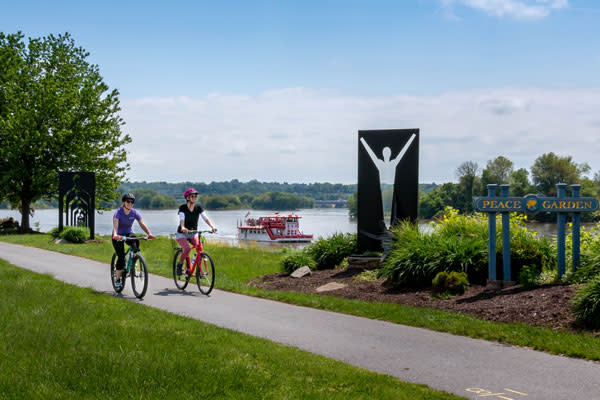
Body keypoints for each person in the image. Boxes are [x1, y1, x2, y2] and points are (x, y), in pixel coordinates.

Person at [111, 193, 155, 286]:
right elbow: (115, 224)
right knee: (121, 256)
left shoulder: (134, 212)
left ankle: (133, 259)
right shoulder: (118, 212)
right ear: (124, 202)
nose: (130, 203)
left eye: (132, 202)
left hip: (128, 233)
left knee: (135, 240)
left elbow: (142, 223)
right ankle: (118, 279)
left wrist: (149, 233)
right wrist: (115, 234)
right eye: (128, 201)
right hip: (118, 236)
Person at [175, 188, 217, 275]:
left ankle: (198, 269)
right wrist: (183, 227)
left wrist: (212, 226)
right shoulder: (183, 208)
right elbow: (182, 219)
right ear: (187, 198)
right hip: (182, 234)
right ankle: (179, 265)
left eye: (195, 196)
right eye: (192, 196)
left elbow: (205, 217)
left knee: (199, 248)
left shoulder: (198, 207)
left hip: (193, 233)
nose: (194, 197)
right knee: (187, 249)